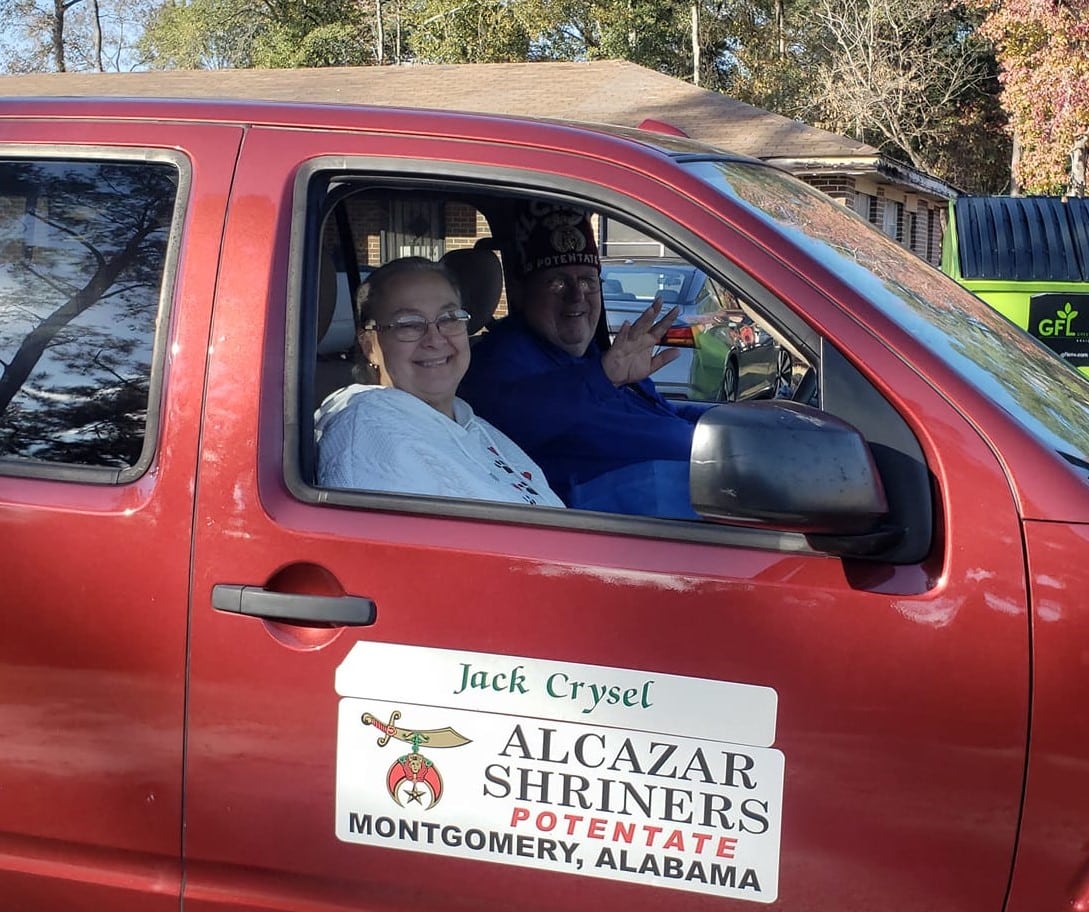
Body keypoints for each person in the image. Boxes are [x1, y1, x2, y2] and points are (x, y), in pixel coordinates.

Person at [458, 201, 710, 519]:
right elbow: (512, 420)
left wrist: (729, 422)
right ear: (523, 293)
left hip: (702, 502)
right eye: (558, 282)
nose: (577, 297)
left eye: (589, 282)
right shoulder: (494, 361)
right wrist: (603, 377)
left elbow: (661, 414)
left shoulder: (587, 353)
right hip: (625, 531)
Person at [315, 256, 565, 507]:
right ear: (369, 345)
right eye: (409, 324)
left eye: (449, 319)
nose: (434, 339)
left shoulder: (472, 425)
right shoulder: (367, 436)